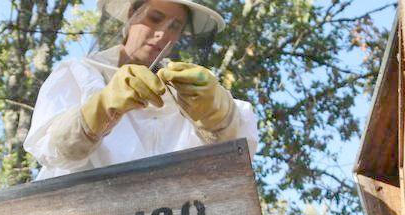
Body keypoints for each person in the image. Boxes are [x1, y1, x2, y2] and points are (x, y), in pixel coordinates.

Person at [24, 0, 258, 180]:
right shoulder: (79, 74)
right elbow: (50, 150)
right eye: (155, 18)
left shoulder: (187, 91)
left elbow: (239, 151)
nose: (163, 34)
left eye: (175, 27)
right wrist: (101, 107)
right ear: (130, 16)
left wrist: (217, 115)